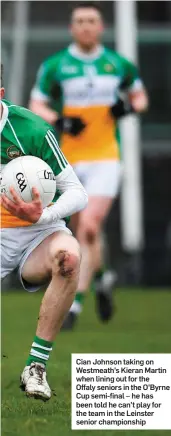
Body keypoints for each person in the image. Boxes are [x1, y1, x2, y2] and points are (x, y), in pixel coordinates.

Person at [29, 1, 148, 329]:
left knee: (90, 227)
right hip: (70, 161)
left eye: (91, 21)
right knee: (83, 231)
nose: (85, 26)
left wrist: (127, 108)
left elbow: (140, 98)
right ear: (72, 28)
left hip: (106, 157)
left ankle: (75, 306)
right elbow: (36, 103)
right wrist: (60, 120)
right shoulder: (56, 65)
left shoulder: (118, 64)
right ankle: (103, 278)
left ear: (100, 27)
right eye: (79, 21)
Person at [0, 63, 88, 400]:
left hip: (39, 232)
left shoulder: (32, 130)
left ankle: (35, 368)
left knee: (69, 257)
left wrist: (42, 215)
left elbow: (77, 192)